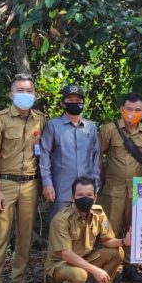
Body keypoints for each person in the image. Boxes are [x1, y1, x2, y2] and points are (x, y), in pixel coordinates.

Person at [0, 73, 47, 283]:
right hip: (5, 185)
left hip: (30, 184)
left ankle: (18, 282)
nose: (25, 94)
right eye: (20, 90)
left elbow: (43, 154)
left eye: (29, 90)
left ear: (35, 94)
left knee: (25, 237)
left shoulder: (40, 120)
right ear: (10, 94)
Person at [46, 176, 127, 283]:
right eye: (80, 195)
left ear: (95, 197)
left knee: (117, 252)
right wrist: (95, 270)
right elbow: (66, 254)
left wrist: (124, 241)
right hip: (59, 266)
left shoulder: (98, 213)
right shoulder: (62, 219)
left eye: (89, 195)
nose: (85, 198)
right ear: (72, 197)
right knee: (80, 274)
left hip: (83, 260)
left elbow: (107, 241)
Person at [98, 93, 142, 283]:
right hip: (112, 188)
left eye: (137, 110)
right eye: (129, 109)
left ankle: (130, 267)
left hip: (137, 190)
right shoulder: (109, 130)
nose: (132, 113)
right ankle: (108, 270)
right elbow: (98, 157)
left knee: (134, 229)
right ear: (122, 110)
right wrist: (103, 178)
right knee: (109, 231)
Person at [40, 84, 100, 218]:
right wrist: (47, 183)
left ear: (84, 103)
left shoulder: (91, 127)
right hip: (62, 190)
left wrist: (96, 185)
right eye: (70, 100)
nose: (75, 103)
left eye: (78, 101)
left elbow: (96, 158)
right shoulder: (53, 125)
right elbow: (44, 155)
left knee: (85, 231)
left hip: (86, 192)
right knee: (59, 229)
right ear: (63, 103)